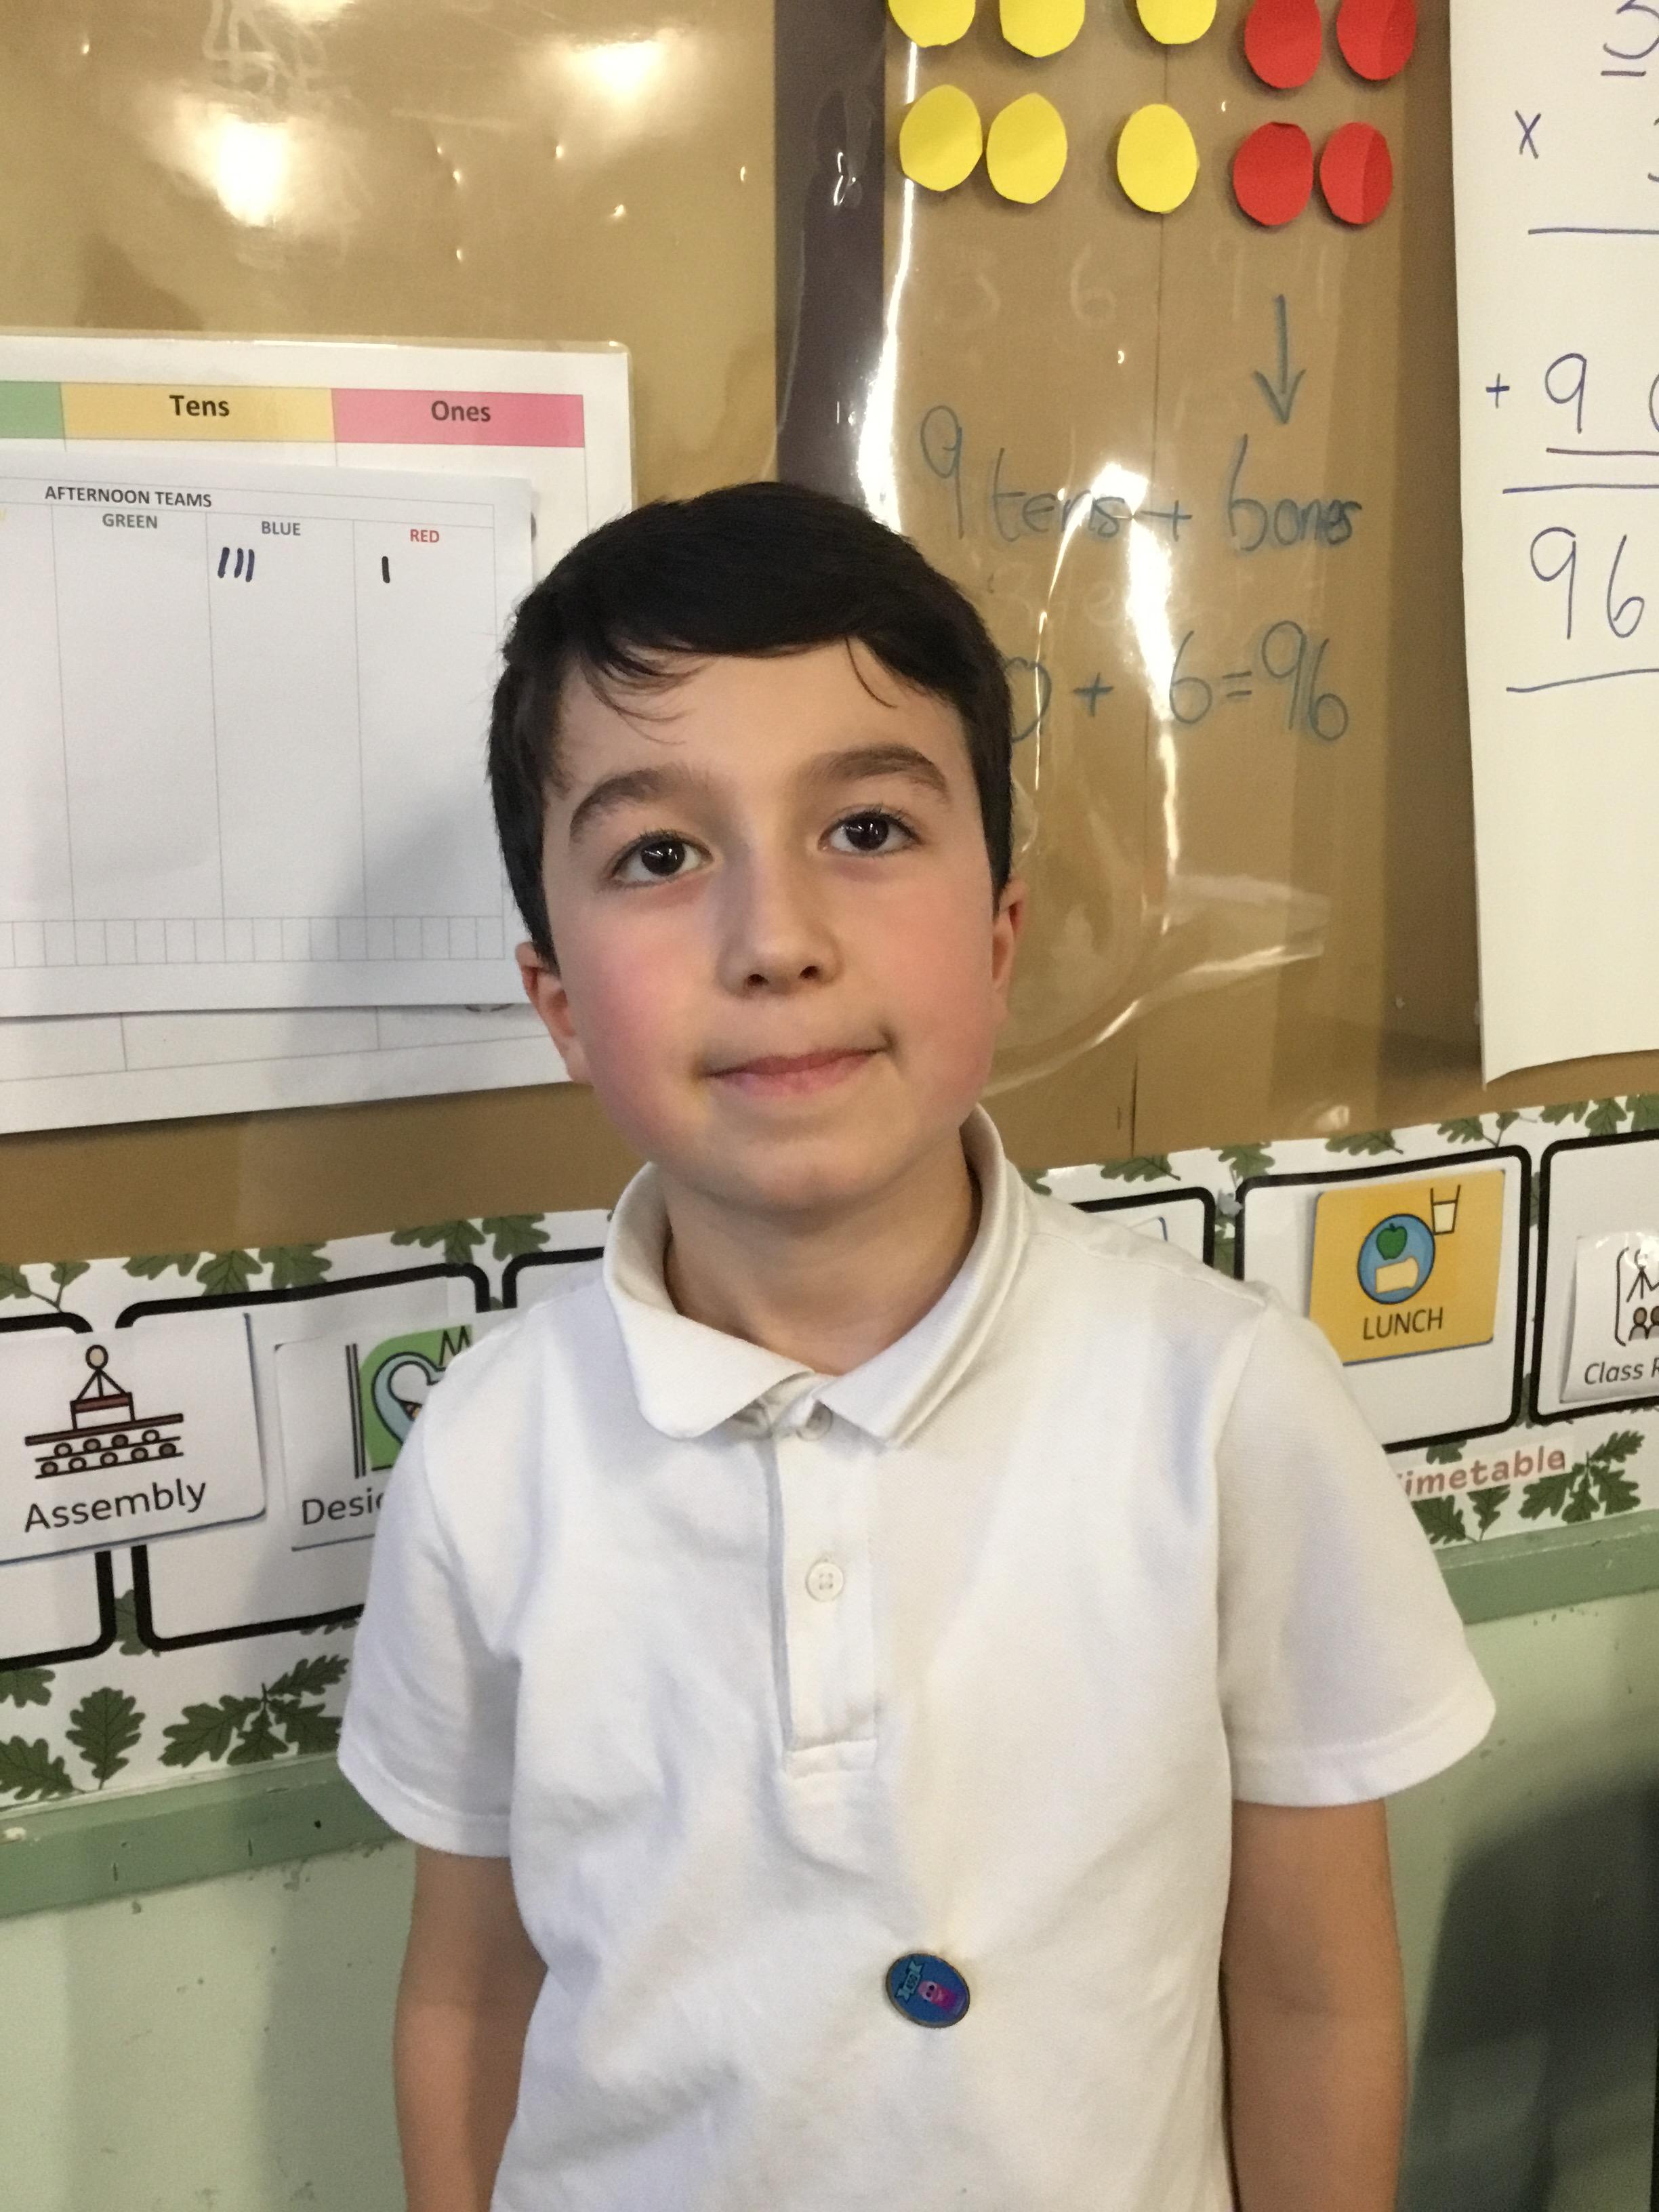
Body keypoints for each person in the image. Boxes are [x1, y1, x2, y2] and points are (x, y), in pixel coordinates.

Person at [340, 482, 1494, 2212]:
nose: (776, 941)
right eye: (661, 856)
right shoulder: (492, 1454)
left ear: (1001, 935)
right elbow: (469, 1992)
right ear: (560, 1003)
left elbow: (1313, 1999)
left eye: (867, 829)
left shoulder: (1224, 1406)